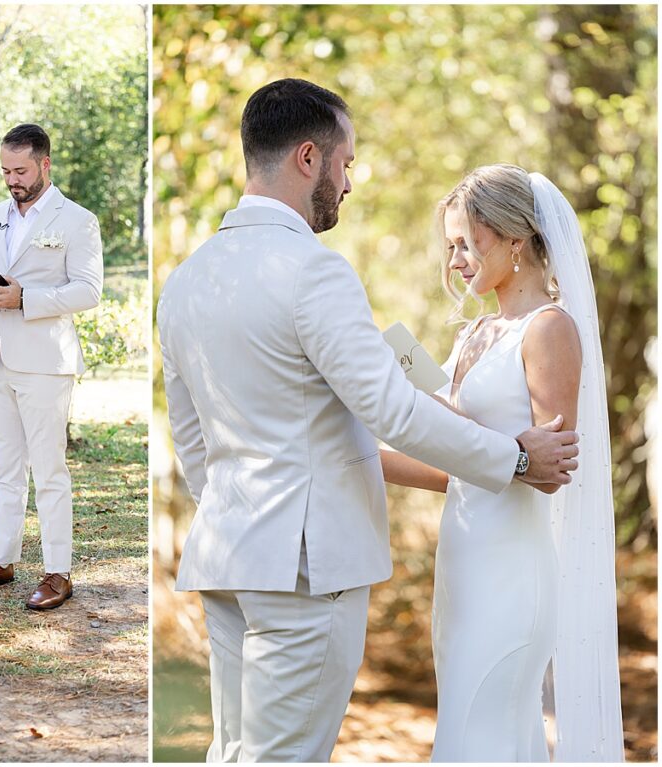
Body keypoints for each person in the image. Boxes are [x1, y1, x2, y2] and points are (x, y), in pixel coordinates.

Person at [157, 79, 581, 762]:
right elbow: (391, 408)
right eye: (345, 162)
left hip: (227, 556)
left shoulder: (186, 281)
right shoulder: (314, 273)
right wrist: (518, 457)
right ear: (307, 157)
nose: (348, 182)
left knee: (233, 752)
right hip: (305, 566)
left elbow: (192, 438)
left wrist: (235, 517)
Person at [381, 164, 625, 761]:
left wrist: (437, 418)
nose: (455, 260)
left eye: (466, 242)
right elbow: (454, 467)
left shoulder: (549, 330)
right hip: (463, 565)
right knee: (475, 735)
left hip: (512, 574)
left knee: (480, 734)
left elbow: (547, 471)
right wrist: (363, 457)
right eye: (449, 247)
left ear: (515, 238)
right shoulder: (475, 335)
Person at [0, 124, 103, 611]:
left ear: (44, 164)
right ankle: (0, 560)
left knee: (49, 468)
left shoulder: (77, 220)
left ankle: (58, 571)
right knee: (7, 466)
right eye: (5, 171)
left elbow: (89, 290)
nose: (12, 180)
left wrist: (27, 298)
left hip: (45, 360)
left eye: (20, 171)